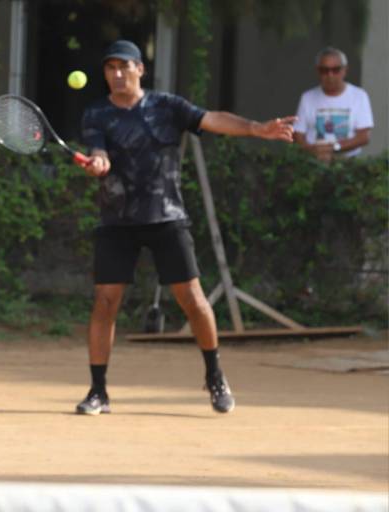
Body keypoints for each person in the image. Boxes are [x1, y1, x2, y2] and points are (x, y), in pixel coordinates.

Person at [76, 40, 296, 415]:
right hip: (117, 221)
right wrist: (98, 163)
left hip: (166, 217)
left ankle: (215, 376)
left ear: (140, 69)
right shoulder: (96, 113)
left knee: (192, 300)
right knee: (105, 302)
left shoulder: (167, 106)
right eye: (110, 68)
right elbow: (98, 151)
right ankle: (98, 391)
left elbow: (213, 119)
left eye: (124, 67)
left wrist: (256, 128)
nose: (117, 74)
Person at [293, 47, 373, 163]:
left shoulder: (359, 96)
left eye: (336, 70)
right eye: (324, 70)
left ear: (345, 70)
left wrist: (334, 148)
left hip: (349, 163)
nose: (330, 75)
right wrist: (312, 151)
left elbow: (364, 137)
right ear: (318, 71)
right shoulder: (307, 97)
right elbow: (298, 135)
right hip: (313, 163)